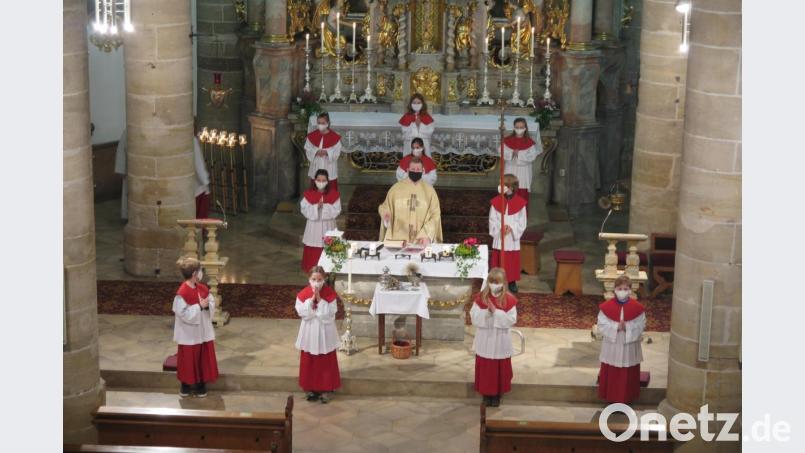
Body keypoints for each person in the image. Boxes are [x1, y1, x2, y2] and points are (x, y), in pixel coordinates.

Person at [172, 257, 219, 398]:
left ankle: (200, 385)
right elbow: (183, 314)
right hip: (189, 334)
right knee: (188, 359)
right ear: (194, 274)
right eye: (200, 271)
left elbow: (211, 302)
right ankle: (185, 386)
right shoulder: (182, 294)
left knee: (202, 358)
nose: (201, 273)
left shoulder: (203, 288)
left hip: (202, 332)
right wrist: (199, 306)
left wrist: (207, 305)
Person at [471, 268, 518, 407]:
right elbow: (474, 316)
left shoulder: (509, 299)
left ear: (503, 283)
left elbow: (512, 319)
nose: (494, 284)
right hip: (485, 336)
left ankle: (497, 394)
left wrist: (496, 312)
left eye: (497, 282)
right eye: (491, 281)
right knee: (486, 367)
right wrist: (486, 313)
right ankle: (486, 394)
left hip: (500, 338)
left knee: (498, 366)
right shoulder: (481, 297)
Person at [597, 275, 646, 404]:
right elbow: (601, 324)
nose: (622, 291)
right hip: (613, 345)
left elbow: (641, 325)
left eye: (625, 288)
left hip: (629, 345)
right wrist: (616, 326)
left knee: (628, 371)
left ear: (630, 290)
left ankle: (627, 398)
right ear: (615, 289)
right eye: (620, 288)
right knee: (612, 370)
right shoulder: (606, 307)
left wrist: (628, 327)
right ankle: (610, 398)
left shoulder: (638, 308)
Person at [295, 266, 341, 403]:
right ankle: (310, 388)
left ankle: (327, 388)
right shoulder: (303, 294)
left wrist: (320, 300)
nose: (316, 282)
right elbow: (302, 313)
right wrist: (310, 301)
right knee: (309, 358)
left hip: (324, 331)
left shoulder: (330, 294)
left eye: (319, 279)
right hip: (309, 330)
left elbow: (330, 315)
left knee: (326, 359)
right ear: (309, 279)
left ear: (324, 279)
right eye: (314, 279)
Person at [378, 157, 443, 245]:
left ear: (423, 171)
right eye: (413, 169)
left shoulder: (430, 191)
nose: (415, 171)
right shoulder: (395, 189)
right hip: (398, 240)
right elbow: (385, 207)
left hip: (421, 240)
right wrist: (386, 215)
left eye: (418, 169)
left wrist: (426, 234)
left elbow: (435, 215)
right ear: (408, 170)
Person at [489, 174, 527, 293]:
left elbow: (522, 222)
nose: (502, 188)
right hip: (500, 236)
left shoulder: (520, 203)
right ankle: (497, 281)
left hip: (512, 237)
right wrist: (500, 228)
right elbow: (492, 219)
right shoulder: (496, 202)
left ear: (512, 187)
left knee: (511, 260)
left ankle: (511, 281)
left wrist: (512, 228)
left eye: (504, 185)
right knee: (499, 257)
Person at [300, 170, 342, 271]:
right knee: (313, 246)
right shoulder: (309, 194)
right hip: (313, 226)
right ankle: (312, 269)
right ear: (315, 180)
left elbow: (337, 210)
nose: (321, 182)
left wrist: (325, 207)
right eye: (319, 180)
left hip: (328, 225)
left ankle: (330, 269)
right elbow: (304, 209)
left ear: (327, 181)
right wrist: (316, 207)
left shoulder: (334, 194)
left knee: (329, 247)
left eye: (323, 180)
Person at [502, 117, 543, 212]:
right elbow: (502, 152)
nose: (519, 129)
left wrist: (518, 154)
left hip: (524, 171)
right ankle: (508, 213)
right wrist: (512, 154)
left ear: (525, 128)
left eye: (521, 127)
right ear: (514, 128)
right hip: (510, 169)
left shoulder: (530, 142)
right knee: (509, 189)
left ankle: (521, 216)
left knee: (522, 192)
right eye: (517, 127)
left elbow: (532, 157)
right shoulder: (507, 140)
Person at [304, 112, 342, 191]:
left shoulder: (334, 136)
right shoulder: (311, 136)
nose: (320, 125)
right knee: (315, 184)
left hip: (329, 165)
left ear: (327, 123)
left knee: (330, 185)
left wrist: (327, 152)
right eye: (319, 123)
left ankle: (330, 201)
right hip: (316, 164)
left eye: (323, 123)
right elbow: (307, 148)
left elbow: (337, 151)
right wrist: (316, 152)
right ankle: (315, 201)